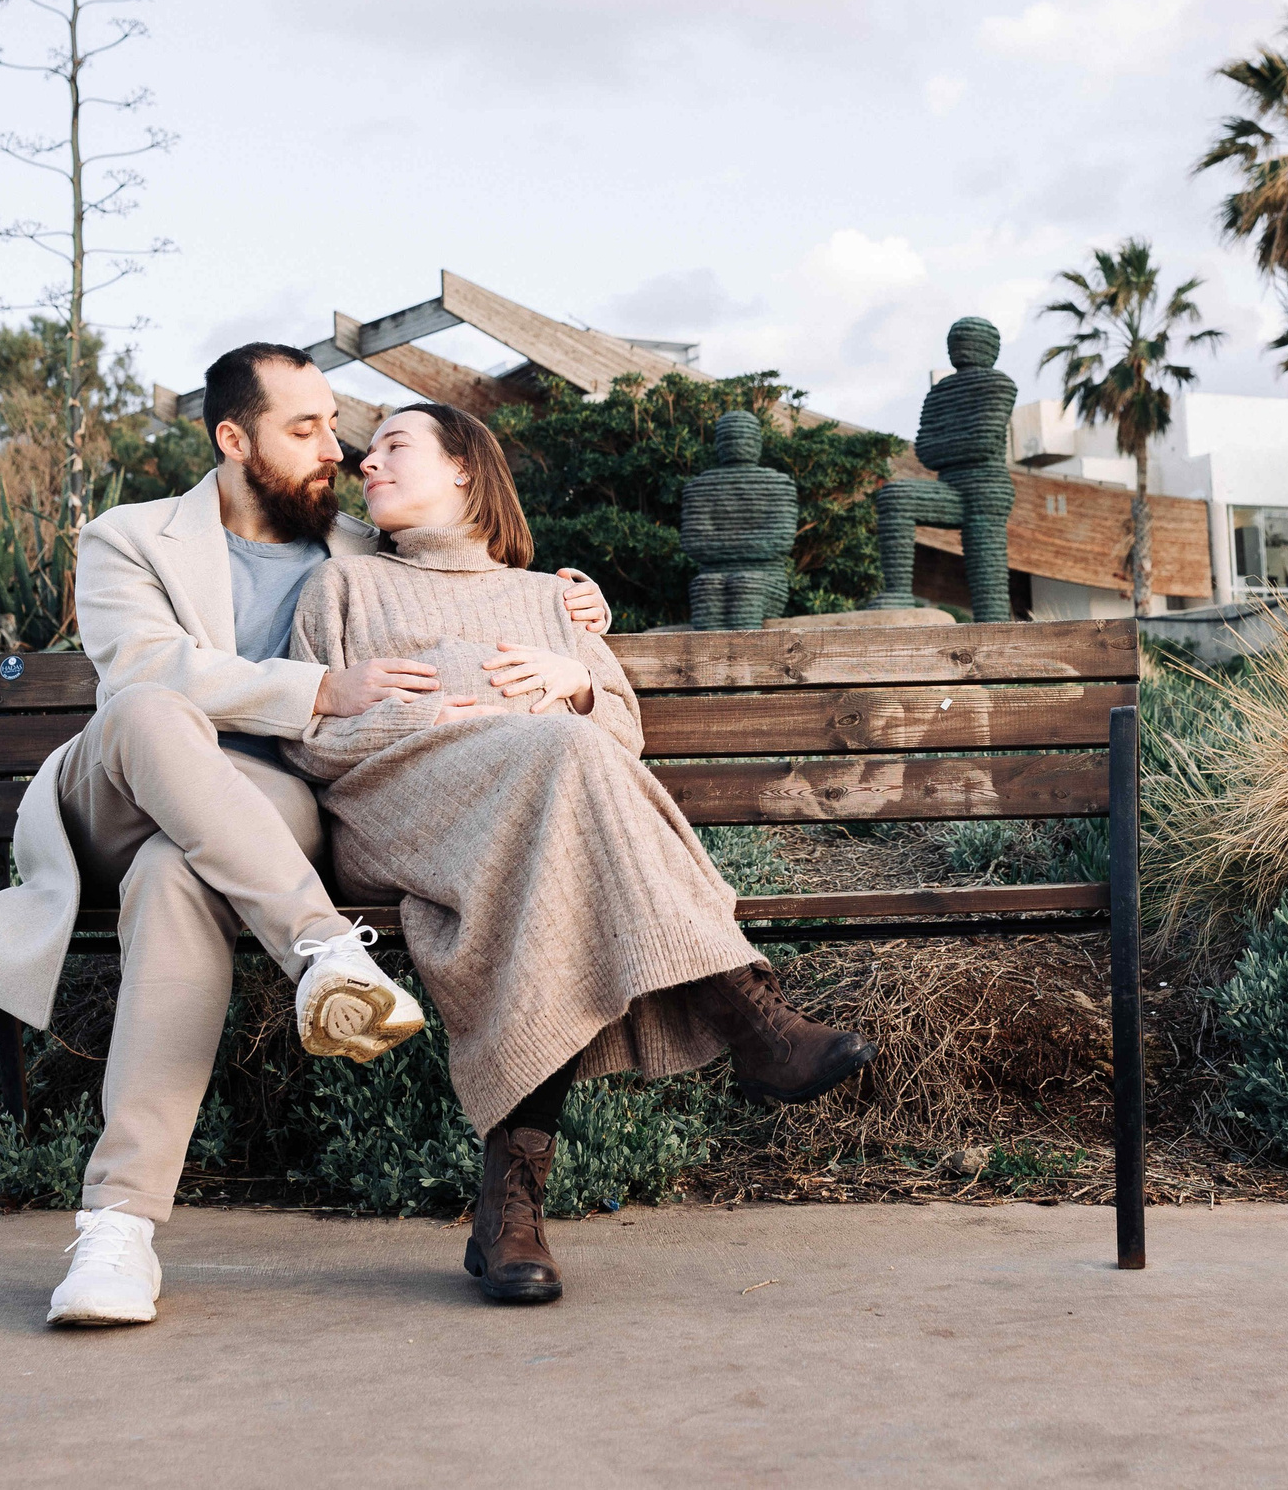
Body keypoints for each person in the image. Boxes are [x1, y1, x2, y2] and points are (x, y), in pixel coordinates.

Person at [0, 343, 612, 1328]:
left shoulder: (361, 548)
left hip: (266, 815)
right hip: (121, 786)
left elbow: (471, 588)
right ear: (233, 438)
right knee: (146, 708)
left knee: (179, 877)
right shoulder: (131, 537)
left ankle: (117, 1231)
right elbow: (144, 665)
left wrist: (580, 615)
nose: (338, 452)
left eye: (337, 427)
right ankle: (321, 951)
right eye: (304, 429)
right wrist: (317, 688)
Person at [282, 402, 877, 1305]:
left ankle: (511, 1209)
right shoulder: (344, 590)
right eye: (367, 453)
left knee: (555, 840)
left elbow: (621, 739)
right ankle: (750, 1017)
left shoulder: (548, 598)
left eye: (396, 445)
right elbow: (313, 740)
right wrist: (441, 715)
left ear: (465, 471)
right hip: (398, 809)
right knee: (560, 761)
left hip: (533, 819)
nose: (369, 463)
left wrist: (579, 680)